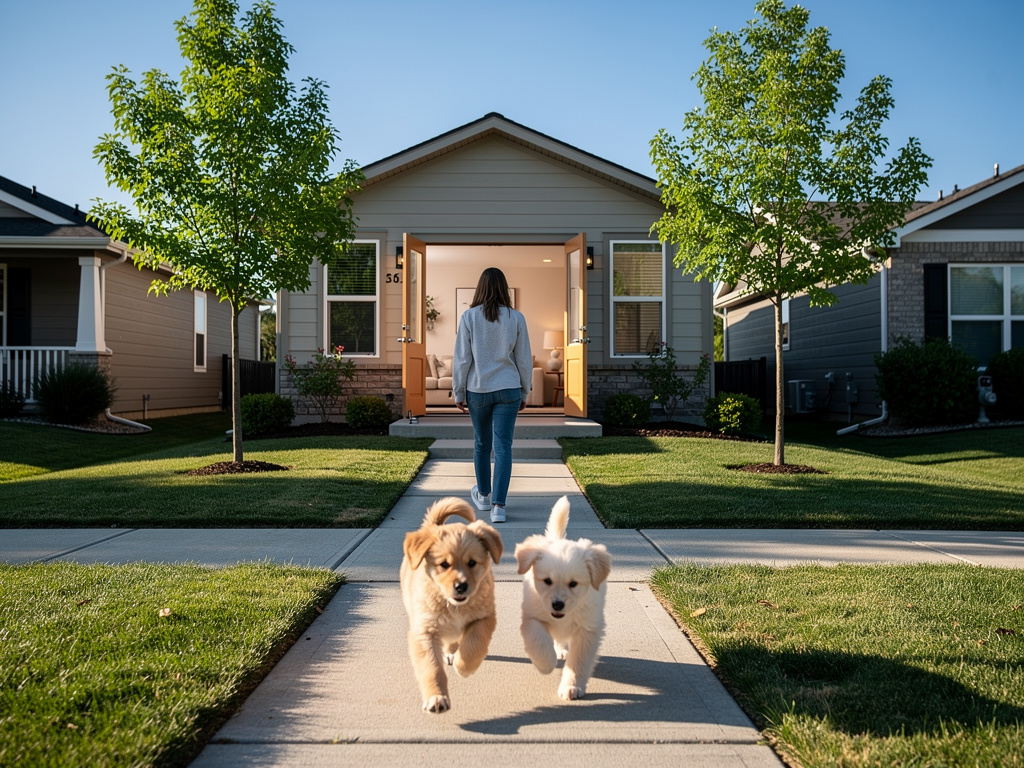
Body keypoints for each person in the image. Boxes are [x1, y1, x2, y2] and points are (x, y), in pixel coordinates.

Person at [452, 267, 533, 523]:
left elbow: (462, 359)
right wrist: (525, 391)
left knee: (481, 444)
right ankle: (499, 507)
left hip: (478, 390)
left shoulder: (469, 317)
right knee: (503, 447)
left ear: (480, 288)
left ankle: (484, 497)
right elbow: (523, 360)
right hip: (508, 389)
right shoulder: (516, 318)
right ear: (503, 288)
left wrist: (458, 392)